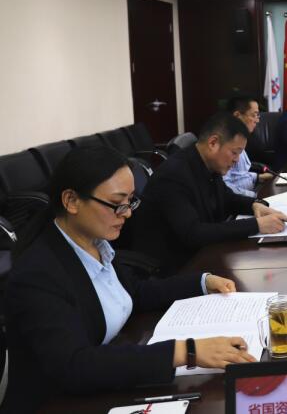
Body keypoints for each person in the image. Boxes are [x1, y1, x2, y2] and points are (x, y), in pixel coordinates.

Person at [1, 146, 256, 413]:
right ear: (72, 201)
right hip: (56, 404)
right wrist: (187, 351)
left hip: (106, 383)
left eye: (131, 201)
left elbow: (133, 292)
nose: (127, 213)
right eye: (117, 203)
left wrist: (202, 282)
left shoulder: (94, 242)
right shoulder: (38, 274)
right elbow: (75, 366)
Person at [131, 112, 287, 274]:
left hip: (200, 255)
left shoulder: (208, 164)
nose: (236, 160)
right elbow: (193, 233)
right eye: (234, 152)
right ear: (213, 143)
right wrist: (256, 225)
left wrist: (254, 205)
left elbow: (226, 198)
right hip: (170, 268)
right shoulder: (173, 175)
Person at [223, 95, 275, 197]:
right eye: (254, 115)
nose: (257, 120)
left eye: (258, 115)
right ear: (237, 116)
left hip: (252, 191)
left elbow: (239, 175)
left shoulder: (240, 138)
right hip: (243, 200)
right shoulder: (225, 141)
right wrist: (256, 197)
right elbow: (225, 186)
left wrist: (258, 177)